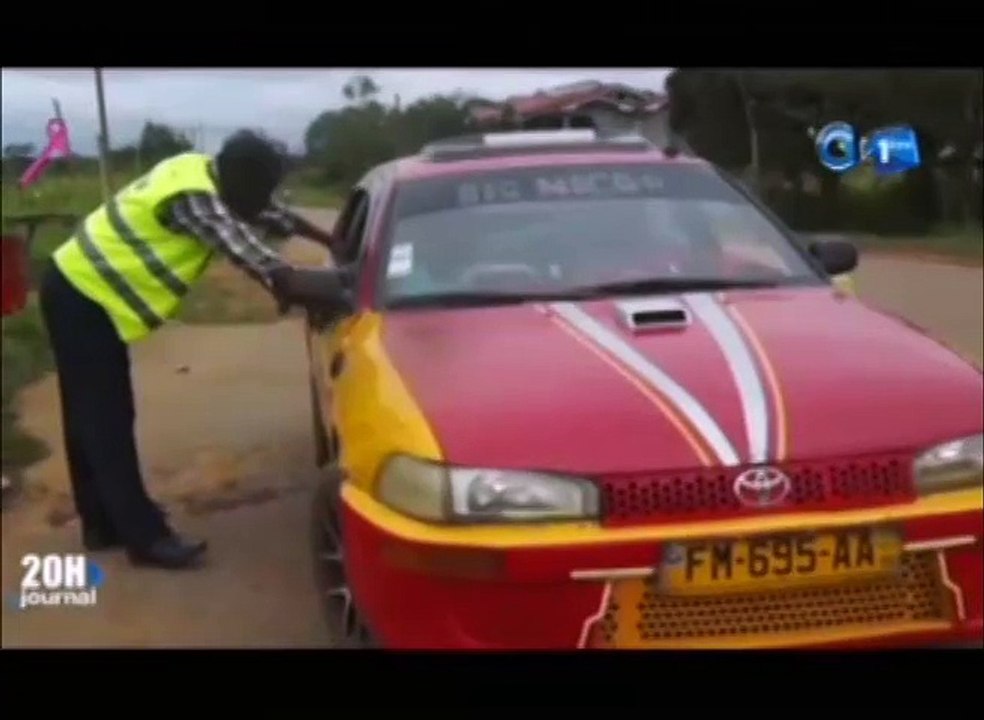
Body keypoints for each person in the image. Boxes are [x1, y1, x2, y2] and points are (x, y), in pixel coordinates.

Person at [38, 129, 337, 570]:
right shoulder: (196, 201)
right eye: (259, 192)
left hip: (79, 290)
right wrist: (339, 291)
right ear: (236, 182)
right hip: (81, 293)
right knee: (106, 418)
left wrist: (332, 242)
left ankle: (101, 523)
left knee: (89, 417)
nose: (263, 202)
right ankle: (145, 539)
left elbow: (276, 217)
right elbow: (261, 261)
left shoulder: (214, 179)